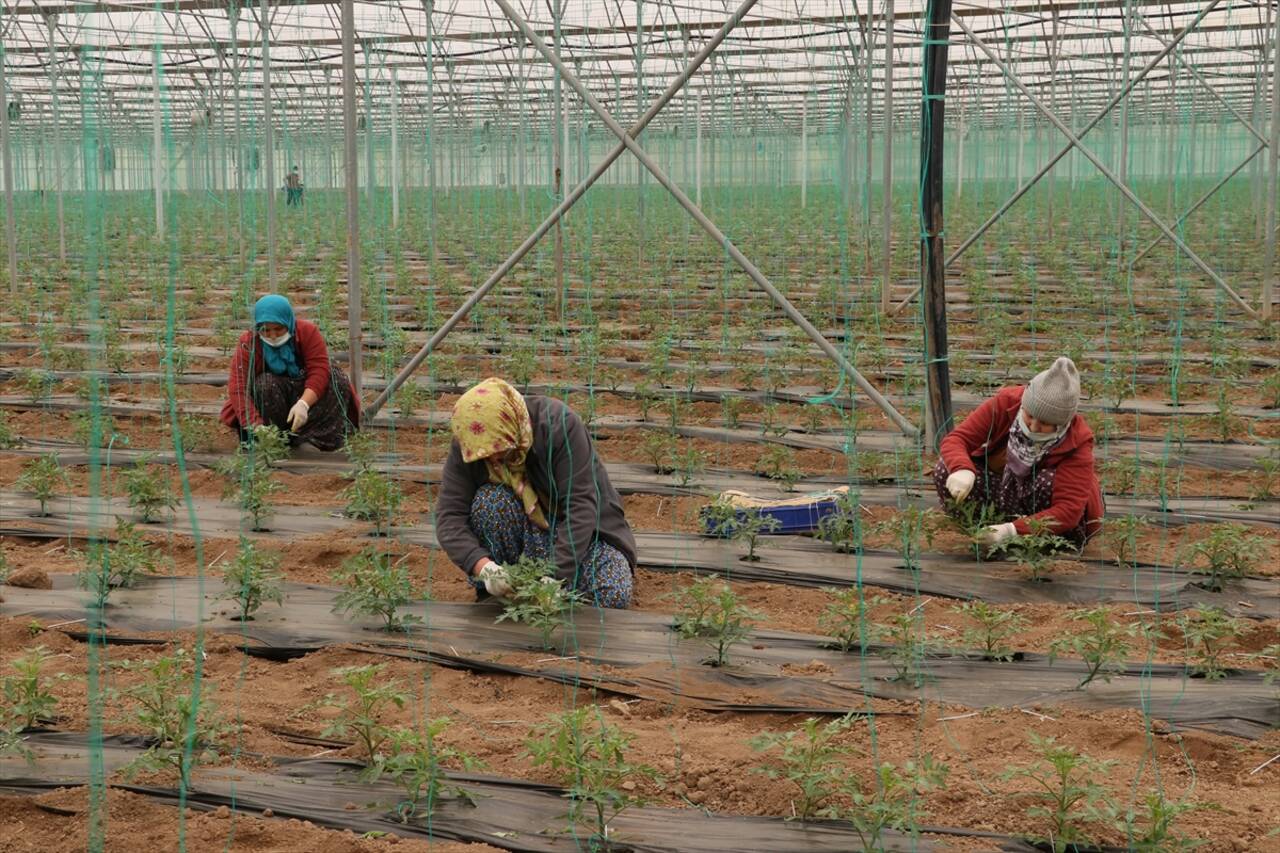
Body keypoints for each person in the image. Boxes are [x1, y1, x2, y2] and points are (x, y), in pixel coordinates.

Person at [435, 378, 637, 609]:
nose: (491, 460)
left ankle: (553, 591)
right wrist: (484, 568)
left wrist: (556, 575)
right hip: (527, 534)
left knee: (612, 594)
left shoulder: (560, 426)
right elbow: (449, 516)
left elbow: (581, 507)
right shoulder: (472, 443)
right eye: (484, 456)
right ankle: (503, 592)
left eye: (498, 451)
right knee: (489, 503)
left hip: (586, 536)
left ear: (513, 427)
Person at [933, 356, 1104, 548]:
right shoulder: (1007, 402)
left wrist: (1011, 531)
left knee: (1048, 481)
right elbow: (957, 439)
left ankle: (1032, 541)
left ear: (1063, 423)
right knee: (945, 469)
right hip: (1008, 490)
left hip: (1043, 509)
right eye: (1029, 415)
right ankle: (980, 532)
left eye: (1045, 424)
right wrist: (962, 469)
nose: (1033, 426)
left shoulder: (1077, 441)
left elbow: (1068, 511)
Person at [220, 294, 360, 450]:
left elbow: (319, 370)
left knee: (336, 378)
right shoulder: (249, 343)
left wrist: (303, 403)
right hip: (273, 397)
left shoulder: (307, 332)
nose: (272, 336)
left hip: (305, 389)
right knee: (265, 383)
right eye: (265, 330)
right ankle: (274, 439)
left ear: (289, 322)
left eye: (279, 329)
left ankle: (314, 439)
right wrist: (254, 425)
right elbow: (238, 387)